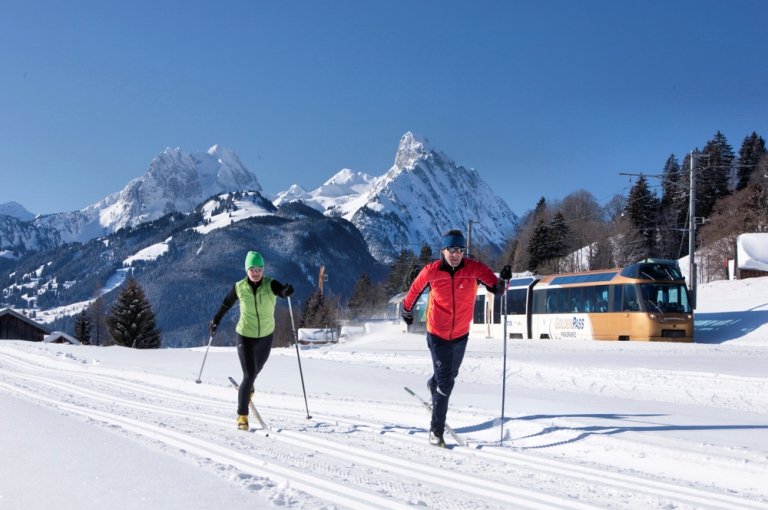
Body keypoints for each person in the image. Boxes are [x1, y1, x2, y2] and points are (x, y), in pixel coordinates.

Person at [401, 229, 511, 447]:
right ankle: (436, 431)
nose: (455, 254)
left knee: (450, 375)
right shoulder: (431, 271)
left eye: (460, 250)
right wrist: (406, 311)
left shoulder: (474, 268)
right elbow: (413, 291)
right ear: (443, 250)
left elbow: (497, 290)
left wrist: (505, 280)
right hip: (437, 333)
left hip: (461, 334)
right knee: (446, 382)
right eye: (451, 249)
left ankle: (433, 386)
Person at [209, 250, 294, 431]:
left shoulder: (271, 284)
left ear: (263, 269)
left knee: (254, 373)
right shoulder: (239, 287)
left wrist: (286, 291)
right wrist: (215, 320)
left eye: (259, 268)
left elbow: (282, 291)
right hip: (245, 336)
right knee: (248, 374)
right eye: (252, 269)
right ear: (246, 270)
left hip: (266, 336)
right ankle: (242, 415)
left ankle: (249, 389)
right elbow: (226, 304)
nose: (256, 272)